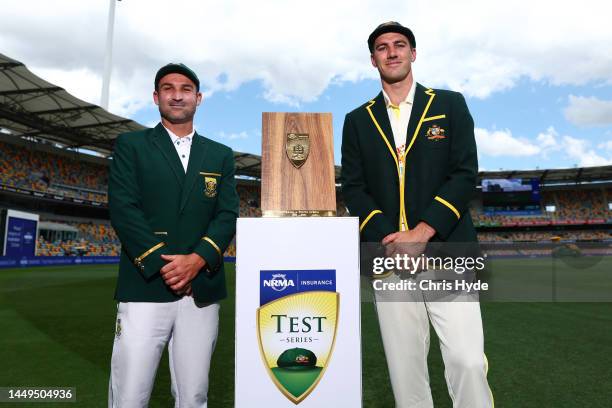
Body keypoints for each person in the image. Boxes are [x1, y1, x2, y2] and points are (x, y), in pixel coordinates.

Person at [341, 22, 494, 407]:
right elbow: (354, 188)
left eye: (399, 45)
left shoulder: (449, 104)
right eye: (382, 47)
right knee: (405, 370)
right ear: (372, 58)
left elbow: (464, 174)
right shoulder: (357, 119)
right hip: (389, 259)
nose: (391, 52)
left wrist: (422, 231)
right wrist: (389, 239)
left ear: (413, 53)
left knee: (468, 360)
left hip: (446, 250)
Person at [108, 63, 239, 407]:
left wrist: (197, 260)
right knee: (130, 393)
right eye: (168, 88)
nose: (176, 95)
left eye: (185, 89)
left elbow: (227, 215)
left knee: (194, 394)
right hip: (146, 284)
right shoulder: (131, 145)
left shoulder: (220, 154)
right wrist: (163, 264)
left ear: (198, 98)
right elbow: (123, 209)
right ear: (156, 97)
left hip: (201, 288)